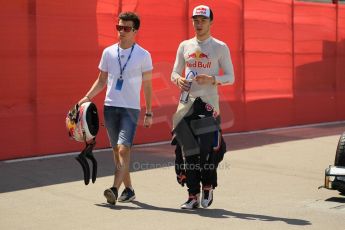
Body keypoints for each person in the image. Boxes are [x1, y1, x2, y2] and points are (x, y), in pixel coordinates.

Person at [78, 12, 153, 205]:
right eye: (119, 27)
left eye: (126, 28)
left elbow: (147, 86)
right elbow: (102, 80)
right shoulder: (109, 52)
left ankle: (114, 189)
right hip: (110, 107)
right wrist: (87, 97)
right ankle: (129, 189)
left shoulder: (143, 55)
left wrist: (149, 112)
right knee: (116, 151)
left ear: (135, 31)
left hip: (130, 109)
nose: (121, 31)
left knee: (123, 149)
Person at [171, 5, 235, 209]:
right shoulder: (184, 45)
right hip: (186, 104)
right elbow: (174, 73)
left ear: (210, 22)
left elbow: (231, 77)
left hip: (208, 106)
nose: (198, 24)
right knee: (188, 152)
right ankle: (192, 195)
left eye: (203, 20)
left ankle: (207, 186)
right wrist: (179, 80)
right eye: (195, 20)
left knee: (207, 152)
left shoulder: (220, 47)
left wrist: (212, 79)